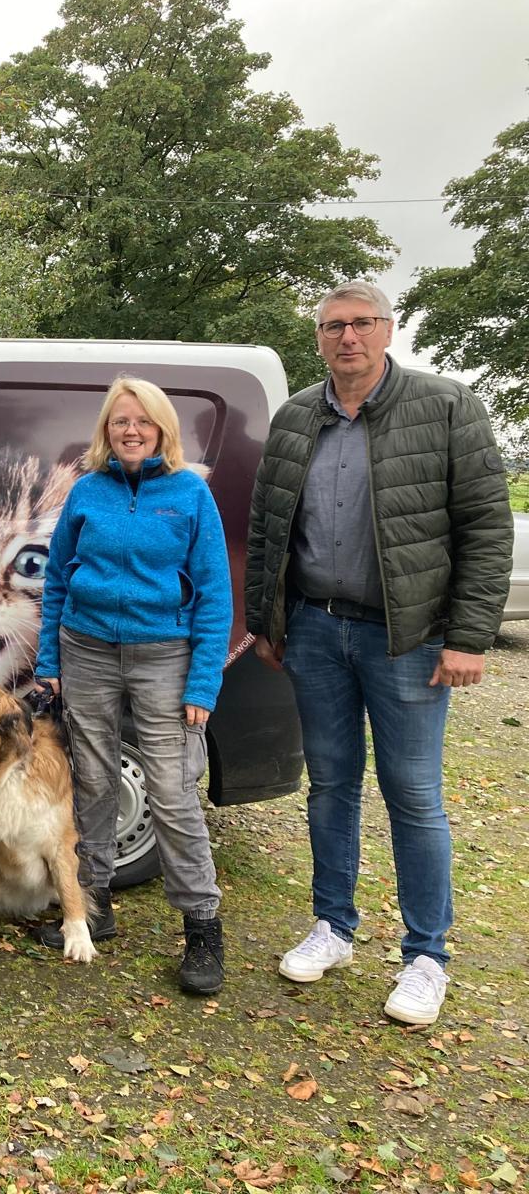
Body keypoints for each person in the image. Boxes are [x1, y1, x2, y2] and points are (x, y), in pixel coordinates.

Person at [246, 279, 512, 1026]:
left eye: (362, 323)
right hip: (316, 632)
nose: (348, 337)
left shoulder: (447, 406)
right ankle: (333, 926)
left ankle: (426, 957)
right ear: (320, 337)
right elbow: (268, 528)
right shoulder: (297, 416)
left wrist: (469, 636)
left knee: (414, 795)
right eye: (334, 326)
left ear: (389, 330)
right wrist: (268, 621)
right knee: (330, 784)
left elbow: (486, 527)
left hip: (409, 638)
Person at [33, 376, 231, 995]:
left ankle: (202, 927)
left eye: (142, 420)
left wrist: (202, 684)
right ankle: (92, 907)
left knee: (171, 793)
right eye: (120, 421)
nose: (131, 430)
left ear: (162, 428)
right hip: (86, 650)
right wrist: (49, 660)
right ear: (107, 430)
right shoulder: (87, 491)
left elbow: (215, 594)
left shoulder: (190, 494)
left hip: (163, 656)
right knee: (93, 781)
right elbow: (57, 581)